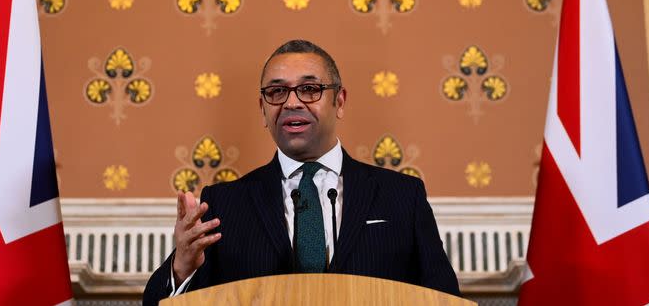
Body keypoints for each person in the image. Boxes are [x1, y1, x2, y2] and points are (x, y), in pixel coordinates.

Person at [143, 40, 460, 305]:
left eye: (310, 89)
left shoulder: (403, 196)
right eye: (277, 92)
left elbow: (444, 298)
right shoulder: (224, 204)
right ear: (263, 110)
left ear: (340, 101)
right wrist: (181, 268)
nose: (292, 102)